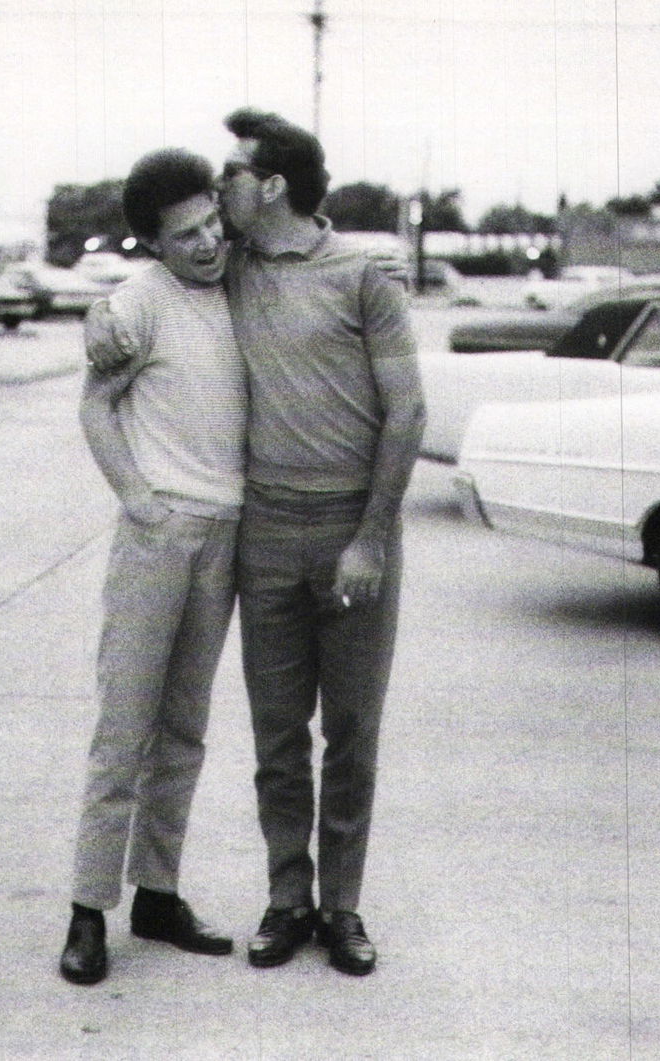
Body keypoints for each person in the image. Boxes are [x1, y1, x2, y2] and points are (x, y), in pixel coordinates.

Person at [215, 107, 425, 977]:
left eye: (232, 171)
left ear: (272, 186)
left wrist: (371, 539)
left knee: (351, 732)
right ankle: (286, 898)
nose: (218, 183)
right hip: (264, 528)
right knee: (274, 735)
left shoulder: (362, 277)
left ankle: (341, 904)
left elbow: (407, 411)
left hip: (350, 530)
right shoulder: (223, 269)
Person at [59, 148, 247, 987]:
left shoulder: (243, 290)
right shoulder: (135, 308)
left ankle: (158, 894)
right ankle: (87, 908)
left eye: (212, 223)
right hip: (161, 532)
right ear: (152, 243)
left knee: (185, 728)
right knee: (124, 725)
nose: (208, 243)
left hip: (227, 533)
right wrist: (138, 497)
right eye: (187, 234)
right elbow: (95, 407)